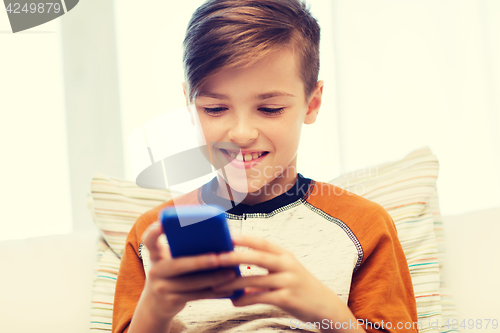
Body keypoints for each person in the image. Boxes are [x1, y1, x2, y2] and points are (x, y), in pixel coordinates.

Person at [112, 0, 418, 332]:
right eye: (215, 108)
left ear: (312, 104)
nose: (241, 134)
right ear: (189, 108)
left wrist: (328, 311)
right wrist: (154, 313)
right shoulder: (152, 238)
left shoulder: (365, 227)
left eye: (269, 108)